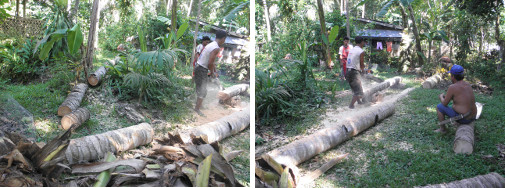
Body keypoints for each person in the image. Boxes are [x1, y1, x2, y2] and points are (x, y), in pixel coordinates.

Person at [435, 65, 477, 133]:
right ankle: (457, 122)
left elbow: (444, 103)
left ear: (453, 76)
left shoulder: (452, 87)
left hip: (465, 119)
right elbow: (461, 98)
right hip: (473, 116)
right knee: (454, 105)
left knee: (439, 107)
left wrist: (441, 97)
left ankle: (442, 130)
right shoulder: (467, 84)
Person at [193, 30, 227, 116]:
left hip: (198, 67)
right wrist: (212, 73)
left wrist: (214, 70)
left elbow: (212, 61)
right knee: (203, 90)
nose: (224, 41)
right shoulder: (216, 48)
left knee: (200, 88)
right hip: (202, 69)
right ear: (223, 38)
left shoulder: (211, 44)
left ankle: (199, 105)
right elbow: (210, 63)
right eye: (225, 39)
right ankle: (197, 109)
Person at [345, 36, 366, 109]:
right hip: (354, 73)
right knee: (359, 92)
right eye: (363, 42)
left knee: (355, 89)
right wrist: (363, 72)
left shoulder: (352, 49)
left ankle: (359, 102)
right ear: (361, 42)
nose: (364, 43)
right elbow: (362, 63)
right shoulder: (361, 51)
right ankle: (351, 105)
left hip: (347, 71)